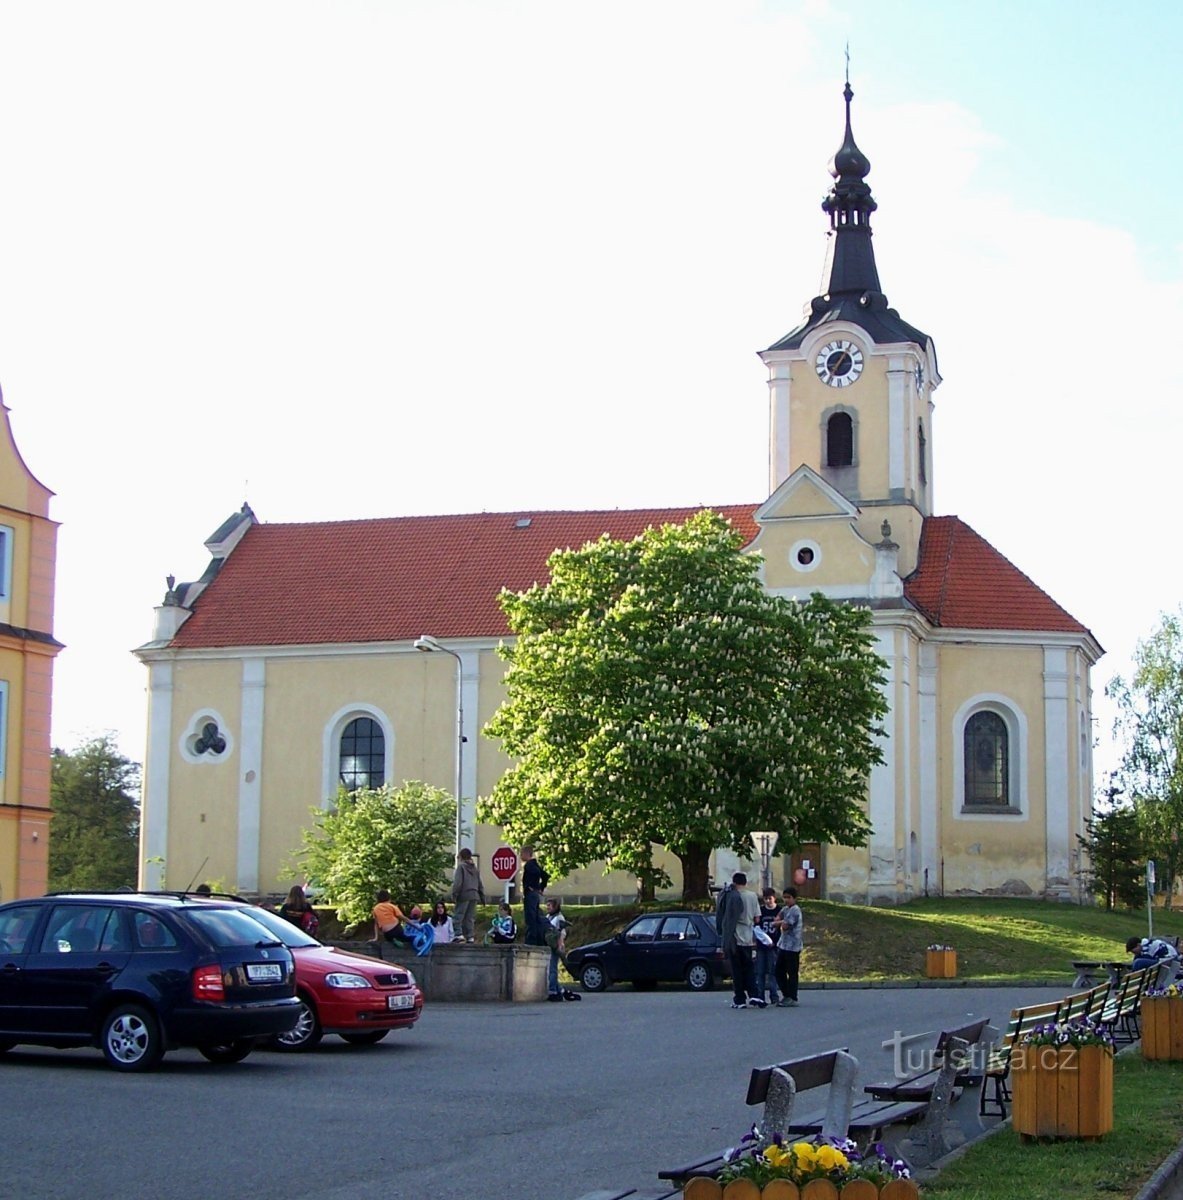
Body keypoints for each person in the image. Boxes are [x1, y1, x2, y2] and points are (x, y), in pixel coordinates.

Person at [718, 872, 761, 1008]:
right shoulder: (753, 896)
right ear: (745, 882)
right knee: (749, 968)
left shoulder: (732, 896)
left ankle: (739, 998)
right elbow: (757, 918)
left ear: (734, 882)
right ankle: (754, 995)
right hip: (748, 936)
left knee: (736, 969)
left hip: (735, 937)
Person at [774, 886, 803, 1007]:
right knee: (778, 971)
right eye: (784, 897)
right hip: (783, 945)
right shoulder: (786, 909)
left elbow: (785, 925)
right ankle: (786, 994)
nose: (786, 900)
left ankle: (792, 996)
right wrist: (778, 921)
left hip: (793, 946)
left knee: (792, 972)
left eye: (789, 898)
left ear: (794, 898)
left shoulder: (795, 910)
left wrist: (778, 923)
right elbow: (778, 918)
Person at [451, 848, 486, 943]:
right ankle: (470, 936)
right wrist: (482, 897)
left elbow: (458, 883)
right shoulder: (475, 869)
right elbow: (480, 884)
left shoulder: (461, 867)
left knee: (459, 915)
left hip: (464, 894)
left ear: (461, 857)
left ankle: (458, 934)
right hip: (474, 895)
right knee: (469, 917)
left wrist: (454, 894)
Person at [753, 887, 782, 1006]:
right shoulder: (761, 911)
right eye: (765, 899)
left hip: (773, 946)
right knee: (760, 972)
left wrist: (776, 942)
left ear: (774, 898)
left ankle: (774, 996)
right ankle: (760, 996)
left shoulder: (779, 911)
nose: (768, 901)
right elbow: (756, 928)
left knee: (772, 972)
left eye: (769, 898)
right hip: (761, 946)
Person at [521, 845, 549, 946]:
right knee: (536, 917)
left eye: (522, 853)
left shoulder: (529, 865)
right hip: (535, 894)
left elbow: (537, 873)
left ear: (527, 854)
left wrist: (532, 886)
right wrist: (541, 887)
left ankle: (531, 941)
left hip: (531, 894)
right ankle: (538, 940)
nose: (520, 856)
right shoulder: (535, 864)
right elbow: (545, 876)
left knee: (530, 918)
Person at [544, 896, 570, 1001]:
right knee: (551, 969)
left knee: (552, 969)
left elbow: (562, 932)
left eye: (549, 905)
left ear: (555, 906)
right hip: (550, 945)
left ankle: (553, 991)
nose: (547, 907)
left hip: (555, 945)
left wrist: (560, 944)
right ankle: (559, 990)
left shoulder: (559, 918)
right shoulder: (549, 916)